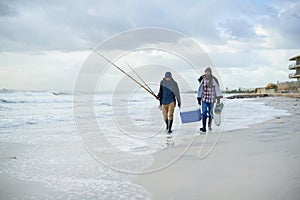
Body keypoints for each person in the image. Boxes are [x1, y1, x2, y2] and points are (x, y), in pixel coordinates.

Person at [197, 67, 222, 133]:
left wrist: (218, 99)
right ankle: (204, 127)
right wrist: (199, 98)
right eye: (206, 72)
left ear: (210, 72)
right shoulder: (203, 79)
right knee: (204, 113)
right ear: (205, 72)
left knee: (210, 113)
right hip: (204, 99)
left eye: (209, 72)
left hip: (211, 100)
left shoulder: (213, 79)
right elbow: (200, 89)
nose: (207, 73)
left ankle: (209, 125)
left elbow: (217, 89)